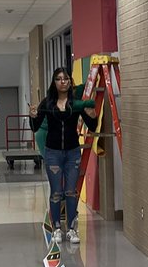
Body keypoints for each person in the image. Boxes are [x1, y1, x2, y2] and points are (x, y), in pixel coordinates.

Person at [29, 68, 97, 245]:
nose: (63, 82)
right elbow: (35, 127)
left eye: (66, 79)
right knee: (57, 192)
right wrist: (33, 116)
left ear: (70, 82)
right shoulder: (48, 103)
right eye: (59, 79)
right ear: (54, 82)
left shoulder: (76, 104)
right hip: (52, 153)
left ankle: (72, 229)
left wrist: (92, 117)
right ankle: (57, 228)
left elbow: (92, 125)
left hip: (72, 152)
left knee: (71, 191)